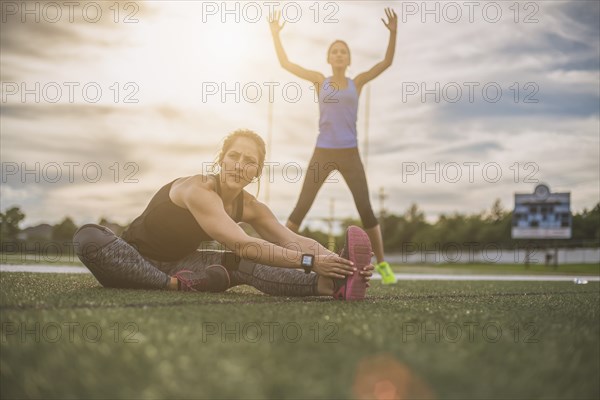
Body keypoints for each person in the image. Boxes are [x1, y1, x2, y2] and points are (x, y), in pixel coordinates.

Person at [73, 129, 373, 300]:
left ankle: (330, 286)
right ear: (221, 160)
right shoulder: (198, 190)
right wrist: (310, 262)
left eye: (249, 161)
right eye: (234, 156)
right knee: (88, 236)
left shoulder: (252, 206)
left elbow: (290, 239)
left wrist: (334, 263)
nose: (239, 165)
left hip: (182, 264)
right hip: (135, 260)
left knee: (241, 263)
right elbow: (243, 243)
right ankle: (175, 285)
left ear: (256, 172)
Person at [269, 8, 398, 284]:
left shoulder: (358, 82)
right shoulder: (319, 80)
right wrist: (275, 35)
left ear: (348, 59)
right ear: (329, 58)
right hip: (323, 151)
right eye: (335, 51)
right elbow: (286, 64)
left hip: (349, 153)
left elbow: (386, 62)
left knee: (367, 211)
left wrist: (393, 33)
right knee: (301, 207)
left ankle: (384, 266)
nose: (339, 55)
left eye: (343, 52)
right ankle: (277, 257)